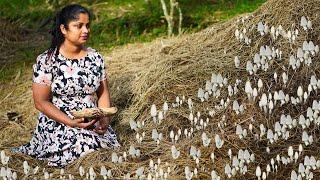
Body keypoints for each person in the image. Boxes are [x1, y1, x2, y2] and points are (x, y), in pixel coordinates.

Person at [12, 4, 120, 167]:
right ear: (63, 29)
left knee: (105, 152)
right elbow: (41, 102)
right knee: (84, 150)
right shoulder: (47, 61)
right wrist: (70, 122)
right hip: (59, 121)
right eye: (79, 26)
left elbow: (103, 92)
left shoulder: (95, 57)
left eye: (87, 25)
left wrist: (104, 119)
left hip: (92, 121)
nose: (86, 30)